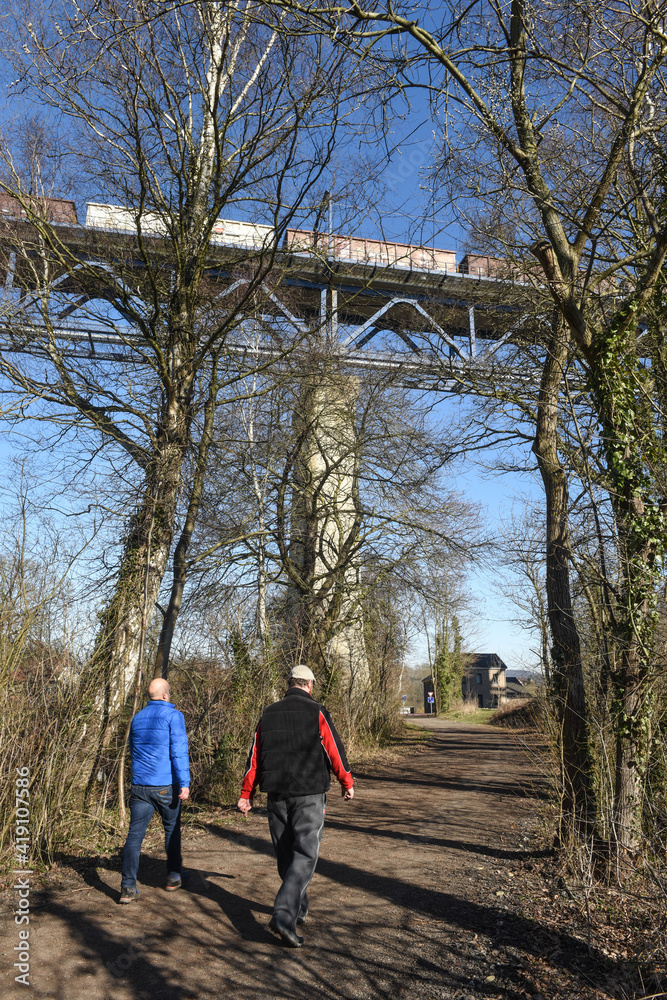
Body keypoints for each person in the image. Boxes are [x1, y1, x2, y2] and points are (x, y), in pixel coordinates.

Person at [237, 664, 354, 947]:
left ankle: (298, 908)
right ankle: (284, 914)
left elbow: (255, 755)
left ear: (289, 684)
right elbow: (333, 749)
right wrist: (346, 781)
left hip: (276, 795)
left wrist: (246, 793)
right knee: (305, 853)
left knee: (286, 853)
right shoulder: (317, 712)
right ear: (310, 685)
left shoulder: (268, 713)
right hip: (309, 793)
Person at [119, 677, 190, 903]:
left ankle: (127, 887)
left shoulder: (137, 718)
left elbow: (133, 750)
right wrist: (185, 782)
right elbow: (178, 751)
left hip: (140, 786)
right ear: (166, 695)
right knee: (171, 830)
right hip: (165, 786)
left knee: (134, 836)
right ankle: (173, 875)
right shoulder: (173, 716)